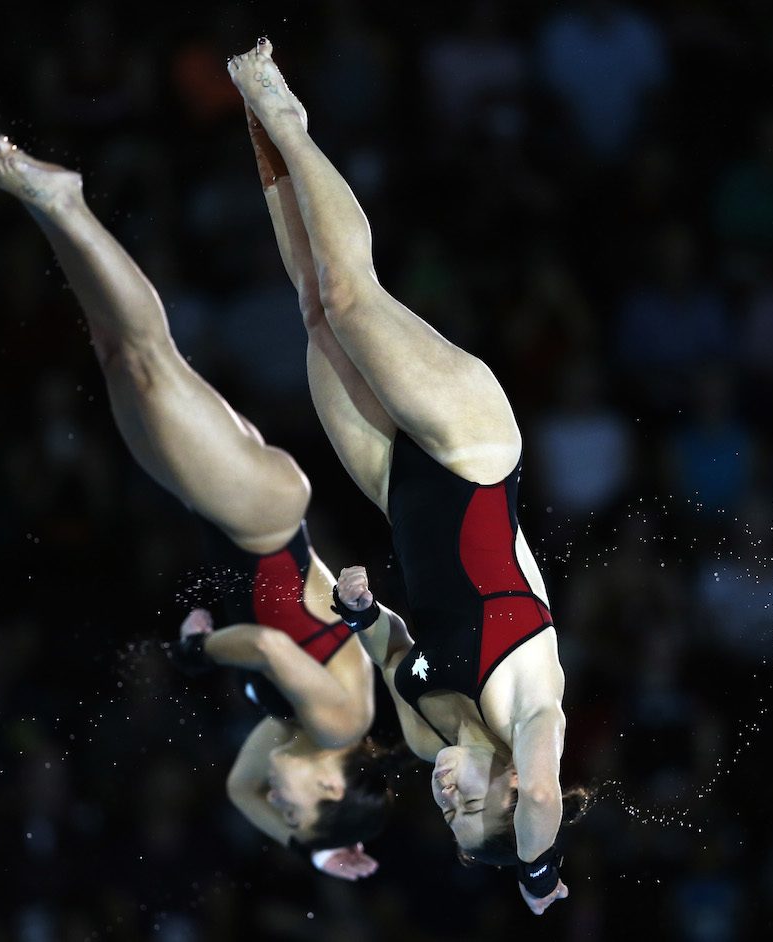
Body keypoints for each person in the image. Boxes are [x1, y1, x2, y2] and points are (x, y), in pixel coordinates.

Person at [232, 40, 588, 914]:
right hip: (471, 450)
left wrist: (361, 613)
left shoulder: (432, 739)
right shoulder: (537, 717)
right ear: (512, 791)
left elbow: (394, 640)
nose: (448, 797)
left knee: (317, 310)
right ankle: (290, 116)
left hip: (399, 483)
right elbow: (545, 803)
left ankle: (262, 132)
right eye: (475, 807)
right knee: (356, 299)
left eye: (448, 816)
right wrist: (539, 881)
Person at [0, 134, 389, 878]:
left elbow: (240, 793)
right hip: (260, 521)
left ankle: (49, 211)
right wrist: (199, 651)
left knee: (116, 351)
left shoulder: (294, 736)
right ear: (333, 784)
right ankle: (66, 203)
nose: (278, 798)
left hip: (227, 516)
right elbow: (266, 647)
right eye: (295, 806)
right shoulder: (340, 720)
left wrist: (316, 846)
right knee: (149, 355)